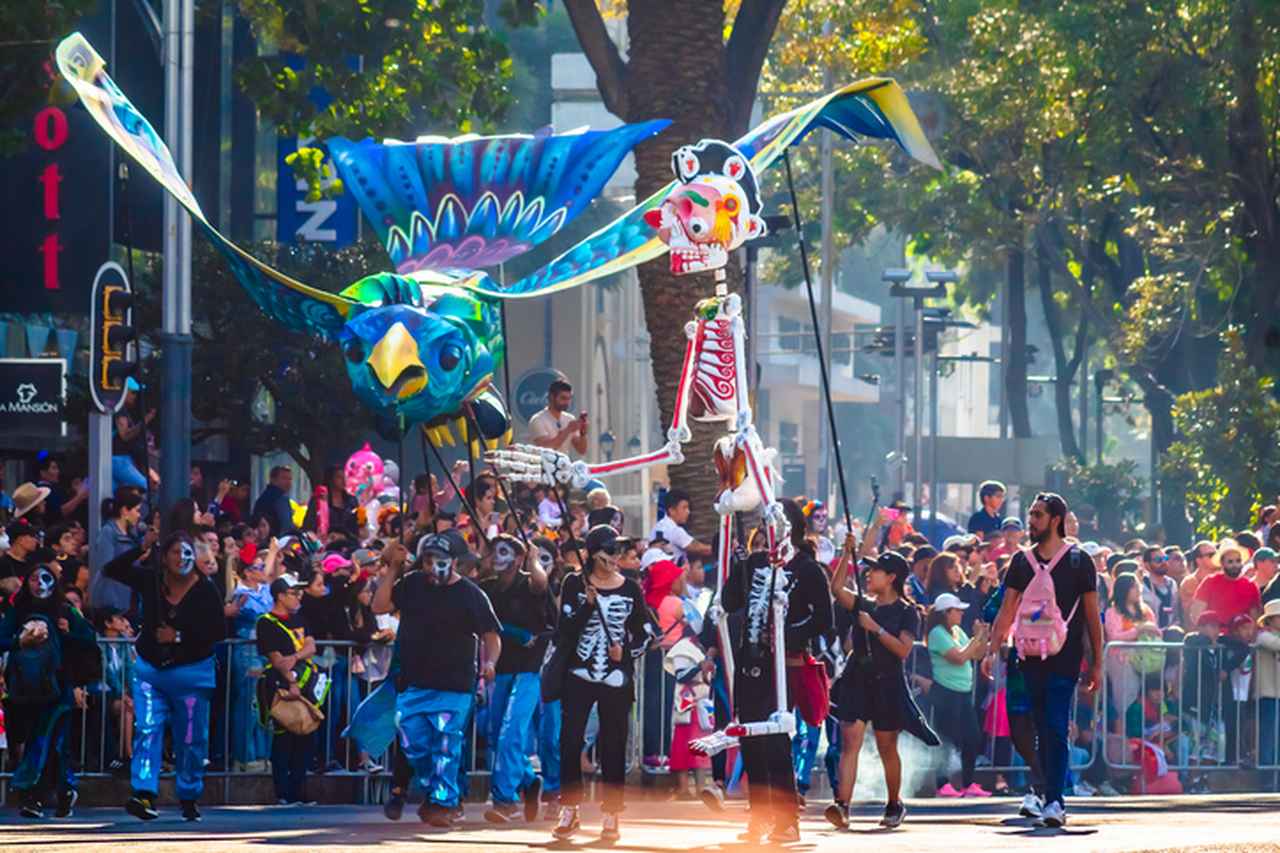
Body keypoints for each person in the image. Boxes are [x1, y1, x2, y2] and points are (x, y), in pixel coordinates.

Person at [372, 530, 501, 828]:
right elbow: (379, 606)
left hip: (455, 686)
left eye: (439, 561)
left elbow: (491, 635)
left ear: (454, 562)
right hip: (414, 684)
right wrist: (393, 569)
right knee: (413, 744)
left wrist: (490, 662)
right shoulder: (412, 583)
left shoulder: (470, 594)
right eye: (428, 560)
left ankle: (443, 803)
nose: (432, 567)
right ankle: (437, 792)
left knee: (446, 745)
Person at [723, 500, 833, 843]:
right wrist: (738, 567)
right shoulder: (755, 563)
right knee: (751, 740)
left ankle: (787, 821)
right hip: (750, 664)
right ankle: (759, 817)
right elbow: (729, 603)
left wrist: (787, 633)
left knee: (775, 742)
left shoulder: (808, 569)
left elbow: (824, 621)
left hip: (784, 667)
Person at [991, 492, 1103, 829]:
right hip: (1028, 656)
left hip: (1065, 659)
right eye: (1031, 514)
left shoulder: (1080, 561)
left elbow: (1092, 616)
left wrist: (1097, 662)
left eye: (1038, 515)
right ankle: (1041, 790)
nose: (1031, 521)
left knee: (1055, 725)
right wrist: (992, 650)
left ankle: (1055, 800)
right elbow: (1007, 608)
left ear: (1055, 520)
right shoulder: (1020, 561)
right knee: (1036, 725)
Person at [104, 531, 227, 822]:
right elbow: (112, 570)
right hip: (151, 671)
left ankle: (189, 794)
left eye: (187, 552)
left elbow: (217, 631)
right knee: (147, 728)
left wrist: (179, 636)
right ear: (165, 557)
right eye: (175, 552)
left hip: (192, 675)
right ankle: (144, 793)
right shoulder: (152, 580)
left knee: (190, 737)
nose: (182, 558)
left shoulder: (206, 589)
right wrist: (141, 547)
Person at [552, 524, 655, 843]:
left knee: (613, 743)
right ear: (594, 554)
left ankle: (612, 811)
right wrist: (586, 606)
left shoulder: (630, 588)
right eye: (610, 550)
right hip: (579, 675)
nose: (615, 556)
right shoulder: (574, 583)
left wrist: (626, 650)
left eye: (618, 550)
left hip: (615, 677)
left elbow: (646, 633)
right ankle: (570, 808)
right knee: (570, 740)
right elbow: (564, 631)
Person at [825, 546, 937, 832]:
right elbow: (836, 588)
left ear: (891, 577)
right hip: (857, 679)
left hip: (887, 681)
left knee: (887, 746)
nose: (868, 574)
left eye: (875, 570)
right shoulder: (863, 603)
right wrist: (847, 555)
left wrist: (876, 628)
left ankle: (894, 803)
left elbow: (903, 650)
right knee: (850, 741)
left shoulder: (907, 612)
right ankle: (842, 805)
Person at [0, 560, 98, 818]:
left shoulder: (65, 610)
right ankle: (50, 792)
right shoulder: (17, 611)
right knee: (38, 739)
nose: (39, 584)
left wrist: (67, 633)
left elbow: (89, 640)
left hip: (59, 687)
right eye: (34, 579)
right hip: (24, 690)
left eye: (46, 579)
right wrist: (19, 641)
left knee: (52, 742)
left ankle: (42, 794)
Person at [479, 534, 554, 824]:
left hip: (529, 669)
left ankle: (505, 800)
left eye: (504, 552)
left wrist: (533, 559)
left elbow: (541, 583)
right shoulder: (488, 588)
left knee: (511, 732)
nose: (497, 558)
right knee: (497, 732)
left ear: (519, 557)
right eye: (494, 552)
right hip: (501, 668)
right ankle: (529, 779)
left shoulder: (528, 583)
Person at [256, 572, 319, 805]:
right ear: (280, 596)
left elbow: (311, 647)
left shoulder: (301, 619)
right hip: (281, 686)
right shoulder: (266, 622)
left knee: (305, 737)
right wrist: (291, 681)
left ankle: (299, 792)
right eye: (293, 593)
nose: (298, 597)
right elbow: (276, 659)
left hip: (306, 684)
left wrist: (294, 657)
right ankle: (282, 793)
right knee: (284, 739)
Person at [927, 593, 991, 798]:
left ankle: (968, 783)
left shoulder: (957, 631)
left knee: (972, 736)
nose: (962, 614)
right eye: (957, 610)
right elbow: (960, 657)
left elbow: (976, 655)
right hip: (945, 692)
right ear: (946, 613)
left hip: (962, 693)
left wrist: (981, 637)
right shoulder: (937, 633)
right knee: (947, 738)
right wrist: (976, 638)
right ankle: (942, 784)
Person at [1104, 569, 1159, 734]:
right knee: (1124, 700)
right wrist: (1139, 630)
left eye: (1138, 586)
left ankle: (1141, 735)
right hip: (1121, 661)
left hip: (1146, 660)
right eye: (1134, 586)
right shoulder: (1112, 612)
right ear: (1124, 589)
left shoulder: (1146, 611)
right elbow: (1114, 636)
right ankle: (1122, 738)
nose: (1139, 589)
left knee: (1142, 700)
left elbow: (1156, 632)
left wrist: (1152, 631)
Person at [92, 492, 149, 615]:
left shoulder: (132, 536)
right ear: (125, 511)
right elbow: (107, 566)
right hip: (111, 600)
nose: (139, 515)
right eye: (137, 510)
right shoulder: (108, 532)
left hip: (127, 600)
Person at [1193, 542, 1261, 628]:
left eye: (1238, 561)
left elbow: (1254, 619)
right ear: (1222, 563)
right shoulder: (1210, 582)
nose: (1235, 565)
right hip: (1216, 633)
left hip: (1241, 634)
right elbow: (1196, 613)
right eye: (1230, 562)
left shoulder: (1251, 586)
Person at [112, 379, 155, 492]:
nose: (135, 396)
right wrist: (145, 421)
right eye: (133, 392)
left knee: (116, 494)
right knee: (146, 487)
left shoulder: (122, 410)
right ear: (123, 392)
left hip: (121, 459)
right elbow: (125, 435)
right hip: (119, 459)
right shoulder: (119, 410)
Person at [528, 379, 589, 457]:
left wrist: (583, 433)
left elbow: (581, 450)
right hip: (542, 464)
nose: (567, 402)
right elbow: (547, 449)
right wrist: (568, 430)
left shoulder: (570, 419)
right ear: (552, 397)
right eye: (563, 398)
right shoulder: (537, 420)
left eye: (569, 398)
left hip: (564, 464)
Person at [649, 489, 712, 563]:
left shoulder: (657, 527)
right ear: (672, 511)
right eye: (684, 508)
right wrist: (721, 548)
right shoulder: (674, 530)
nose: (688, 512)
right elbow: (702, 549)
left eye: (688, 508)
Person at [1255, 599, 1280, 767]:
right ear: (1269, 619)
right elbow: (1276, 644)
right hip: (1268, 694)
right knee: (1268, 735)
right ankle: (1267, 772)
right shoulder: (1263, 636)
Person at [35, 453, 89, 523]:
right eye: (54, 468)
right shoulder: (43, 491)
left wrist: (75, 491)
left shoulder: (55, 487)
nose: (58, 471)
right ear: (43, 473)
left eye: (57, 468)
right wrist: (80, 496)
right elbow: (60, 512)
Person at [1141, 546, 1181, 628]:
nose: (1163, 562)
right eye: (1158, 560)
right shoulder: (1141, 585)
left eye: (1165, 558)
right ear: (1147, 565)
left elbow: (1176, 612)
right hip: (1149, 631)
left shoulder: (1172, 584)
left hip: (1170, 631)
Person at [252, 466, 297, 538]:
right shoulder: (280, 498)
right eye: (284, 478)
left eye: (290, 479)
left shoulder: (264, 496)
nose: (288, 482)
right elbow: (286, 526)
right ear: (273, 479)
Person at [1179, 540, 1219, 618]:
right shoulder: (1190, 582)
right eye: (1211, 555)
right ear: (1199, 560)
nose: (1216, 558)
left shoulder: (1223, 577)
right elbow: (1193, 614)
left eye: (1217, 554)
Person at [1, 518, 40, 597]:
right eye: (32, 536)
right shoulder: (3, 563)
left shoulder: (32, 562)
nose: (36, 541)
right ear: (20, 539)